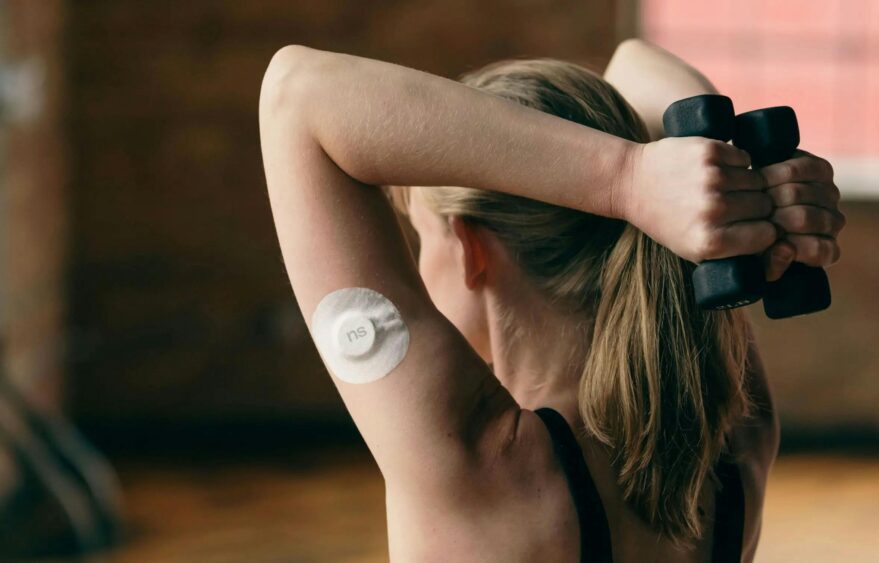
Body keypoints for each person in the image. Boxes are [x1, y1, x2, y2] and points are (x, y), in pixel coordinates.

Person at [259, 38, 844, 562]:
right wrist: (738, 182)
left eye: (420, 235)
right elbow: (635, 62)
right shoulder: (735, 433)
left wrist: (627, 179)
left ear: (471, 248)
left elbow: (296, 95)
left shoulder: (477, 467)